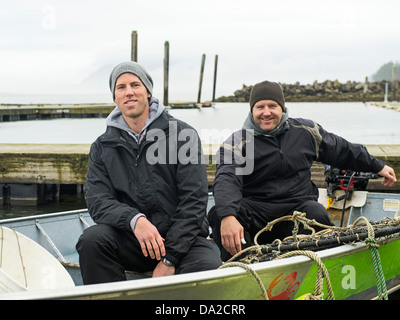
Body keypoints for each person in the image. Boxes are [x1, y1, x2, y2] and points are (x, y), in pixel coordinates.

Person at [208, 80, 397, 261]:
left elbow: (342, 149)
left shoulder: (306, 131)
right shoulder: (237, 142)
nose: (266, 112)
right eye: (260, 107)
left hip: (298, 209)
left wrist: (377, 165)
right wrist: (228, 216)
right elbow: (226, 178)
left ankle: (318, 265)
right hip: (257, 210)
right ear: (252, 110)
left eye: (272, 106)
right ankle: (244, 265)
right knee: (219, 214)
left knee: (317, 212)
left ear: (282, 108)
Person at [76, 61, 221, 284]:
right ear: (115, 98)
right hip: (132, 239)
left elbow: (194, 201)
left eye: (135, 84)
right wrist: (135, 220)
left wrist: (169, 258)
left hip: (182, 241)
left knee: (208, 269)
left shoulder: (183, 135)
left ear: (148, 92)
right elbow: (98, 201)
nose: (129, 92)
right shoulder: (102, 146)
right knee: (92, 240)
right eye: (121, 87)